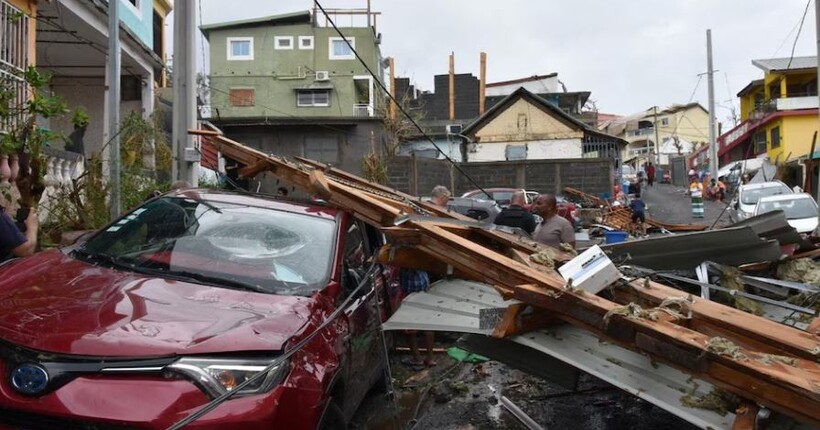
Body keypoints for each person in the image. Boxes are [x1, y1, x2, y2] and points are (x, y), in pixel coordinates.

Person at [402, 185, 450, 369]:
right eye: (448, 198)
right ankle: (428, 357)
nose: (448, 201)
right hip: (420, 272)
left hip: (413, 273)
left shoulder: (422, 211)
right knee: (425, 318)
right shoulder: (430, 212)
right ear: (442, 196)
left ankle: (418, 358)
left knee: (411, 319)